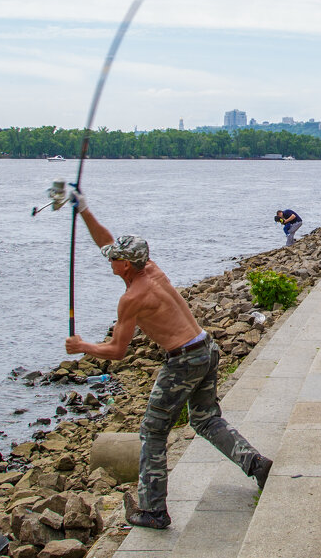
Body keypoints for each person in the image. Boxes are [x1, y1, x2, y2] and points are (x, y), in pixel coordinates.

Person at [63, 188, 273, 530]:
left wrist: (82, 346)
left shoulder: (132, 297)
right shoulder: (152, 269)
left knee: (152, 431)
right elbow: (105, 242)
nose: (108, 259)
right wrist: (83, 209)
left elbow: (117, 351)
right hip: (207, 348)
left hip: (184, 361)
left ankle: (153, 511)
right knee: (205, 420)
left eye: (114, 258)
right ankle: (257, 465)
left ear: (126, 265)